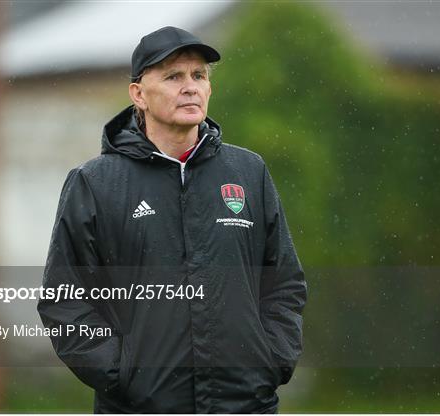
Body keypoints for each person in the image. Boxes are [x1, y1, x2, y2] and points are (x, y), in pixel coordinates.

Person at [38, 26, 307, 414]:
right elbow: (65, 299)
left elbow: (284, 283)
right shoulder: (95, 183)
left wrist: (271, 360)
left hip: (246, 403)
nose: (191, 87)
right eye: (173, 76)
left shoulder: (249, 172)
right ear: (138, 94)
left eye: (199, 76)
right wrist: (123, 374)